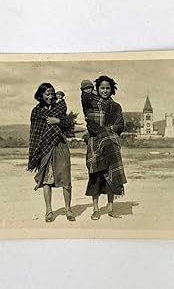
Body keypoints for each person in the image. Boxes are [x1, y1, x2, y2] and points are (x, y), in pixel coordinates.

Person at [27, 83, 76, 222]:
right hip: (44, 147)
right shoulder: (36, 112)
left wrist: (58, 120)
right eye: (47, 94)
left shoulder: (58, 108)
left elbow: (68, 123)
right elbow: (35, 133)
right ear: (41, 95)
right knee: (47, 179)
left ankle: (68, 209)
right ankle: (49, 210)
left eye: (52, 94)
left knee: (65, 178)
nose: (50, 97)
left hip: (60, 145)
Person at [83, 75, 127, 220]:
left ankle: (110, 208)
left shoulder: (116, 107)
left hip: (111, 145)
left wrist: (106, 132)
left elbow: (120, 126)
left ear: (112, 89)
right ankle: (95, 210)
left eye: (108, 88)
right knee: (95, 176)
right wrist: (107, 131)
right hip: (95, 143)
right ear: (98, 89)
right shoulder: (91, 105)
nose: (105, 91)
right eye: (102, 88)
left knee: (111, 176)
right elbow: (91, 125)